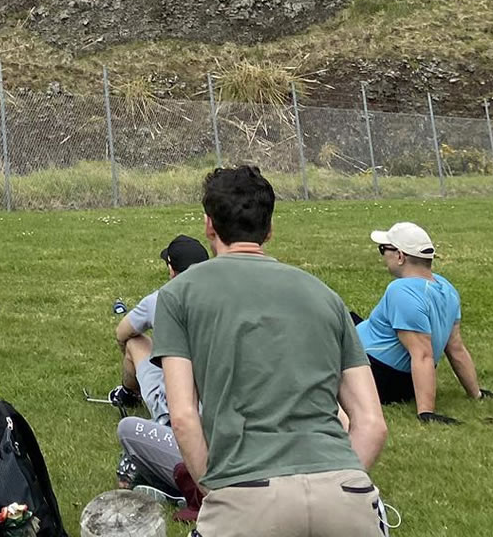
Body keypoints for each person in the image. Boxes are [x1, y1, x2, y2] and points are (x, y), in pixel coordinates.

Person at [153, 166, 389, 536]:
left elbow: (182, 416)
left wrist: (214, 489)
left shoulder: (178, 295)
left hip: (245, 496)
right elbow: (372, 424)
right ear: (269, 229)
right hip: (346, 494)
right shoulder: (325, 296)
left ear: (208, 225)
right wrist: (341, 482)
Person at [353, 221, 493, 423]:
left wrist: (426, 413)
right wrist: (476, 393)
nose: (383, 256)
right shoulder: (446, 288)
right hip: (397, 378)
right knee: (345, 316)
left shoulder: (401, 291)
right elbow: (456, 348)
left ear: (400, 256)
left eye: (383, 250)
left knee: (324, 323)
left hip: (376, 376)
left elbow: (422, 354)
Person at [110, 235, 209, 516]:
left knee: (135, 344)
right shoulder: (226, 298)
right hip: (225, 401)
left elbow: (123, 333)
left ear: (171, 268)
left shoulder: (161, 298)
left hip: (182, 410)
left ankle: (130, 395)